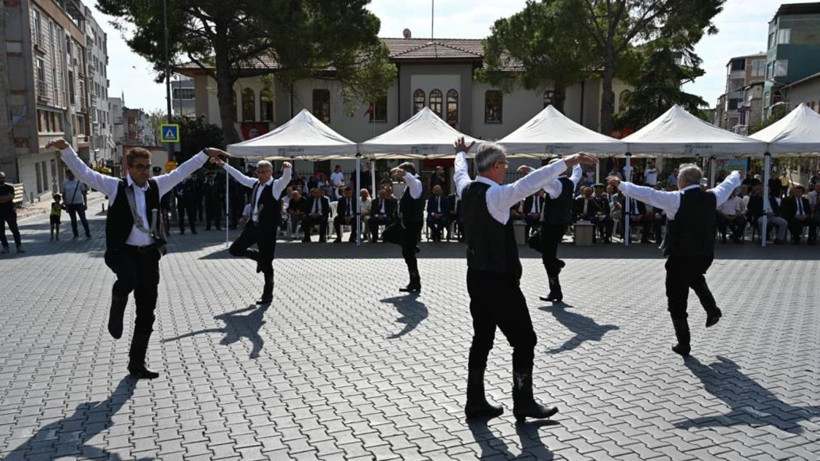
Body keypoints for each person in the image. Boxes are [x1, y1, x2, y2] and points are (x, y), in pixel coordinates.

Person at [47, 138, 227, 379]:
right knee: (127, 280)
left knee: (147, 311)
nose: (144, 171)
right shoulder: (114, 187)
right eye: (139, 166)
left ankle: (136, 362)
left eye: (148, 166)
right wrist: (66, 150)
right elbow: (85, 173)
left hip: (149, 255)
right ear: (129, 167)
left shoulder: (156, 186)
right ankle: (117, 305)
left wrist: (205, 152)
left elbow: (184, 170)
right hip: (123, 252)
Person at [453, 137, 597, 421]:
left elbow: (459, 171)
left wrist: (459, 153)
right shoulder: (496, 196)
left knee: (482, 338)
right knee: (525, 339)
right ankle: (523, 401)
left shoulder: (466, 189)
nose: (505, 168)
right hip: (500, 281)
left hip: (476, 276)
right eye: (504, 164)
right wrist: (569, 161)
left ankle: (475, 401)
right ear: (496, 166)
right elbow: (530, 183)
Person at [607, 164, 741, 357]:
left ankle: (683, 343)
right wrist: (736, 175)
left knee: (676, 299)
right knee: (695, 277)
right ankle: (712, 310)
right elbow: (727, 185)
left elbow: (648, 194)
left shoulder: (676, 199)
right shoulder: (713, 196)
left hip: (681, 256)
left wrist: (621, 184)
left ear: (683, 181)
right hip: (704, 255)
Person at [216, 156, 292, 304]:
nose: (261, 174)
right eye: (259, 172)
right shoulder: (255, 184)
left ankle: (267, 294)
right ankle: (257, 257)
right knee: (235, 250)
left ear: (270, 172)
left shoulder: (275, 186)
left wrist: (287, 167)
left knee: (267, 264)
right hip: (253, 226)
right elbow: (240, 177)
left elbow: (286, 179)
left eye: (264, 172)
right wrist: (223, 164)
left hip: (267, 230)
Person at [530, 159, 582, 303]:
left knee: (547, 260)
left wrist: (529, 169)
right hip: (560, 224)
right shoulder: (571, 182)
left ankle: (555, 291)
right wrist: (576, 161)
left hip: (551, 225)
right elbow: (578, 172)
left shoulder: (556, 184)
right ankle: (556, 263)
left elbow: (543, 181)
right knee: (533, 242)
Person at [392, 162, 424, 292]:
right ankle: (412, 246)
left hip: (412, 223)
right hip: (405, 222)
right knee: (388, 235)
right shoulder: (408, 185)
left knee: (408, 254)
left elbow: (412, 181)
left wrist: (406, 175)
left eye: (401, 175)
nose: (399, 178)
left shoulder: (416, 183)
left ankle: (415, 282)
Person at [61, 170, 92, 240]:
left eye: (72, 173)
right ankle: (75, 234)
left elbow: (84, 194)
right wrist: (66, 205)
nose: (71, 175)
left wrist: (85, 204)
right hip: (70, 204)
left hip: (79, 203)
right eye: (69, 174)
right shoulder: (64, 183)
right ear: (67, 174)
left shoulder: (79, 182)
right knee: (73, 220)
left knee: (83, 219)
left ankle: (88, 233)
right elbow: (64, 195)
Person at [0, 171, 24, 254]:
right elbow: (7, 198)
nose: (1, 179)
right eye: (0, 178)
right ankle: (5, 247)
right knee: (1, 231)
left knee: (15, 230)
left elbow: (11, 197)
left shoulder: (9, 187)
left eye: (2, 177)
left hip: (10, 212)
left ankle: (19, 246)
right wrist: (6, 198)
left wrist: (4, 198)